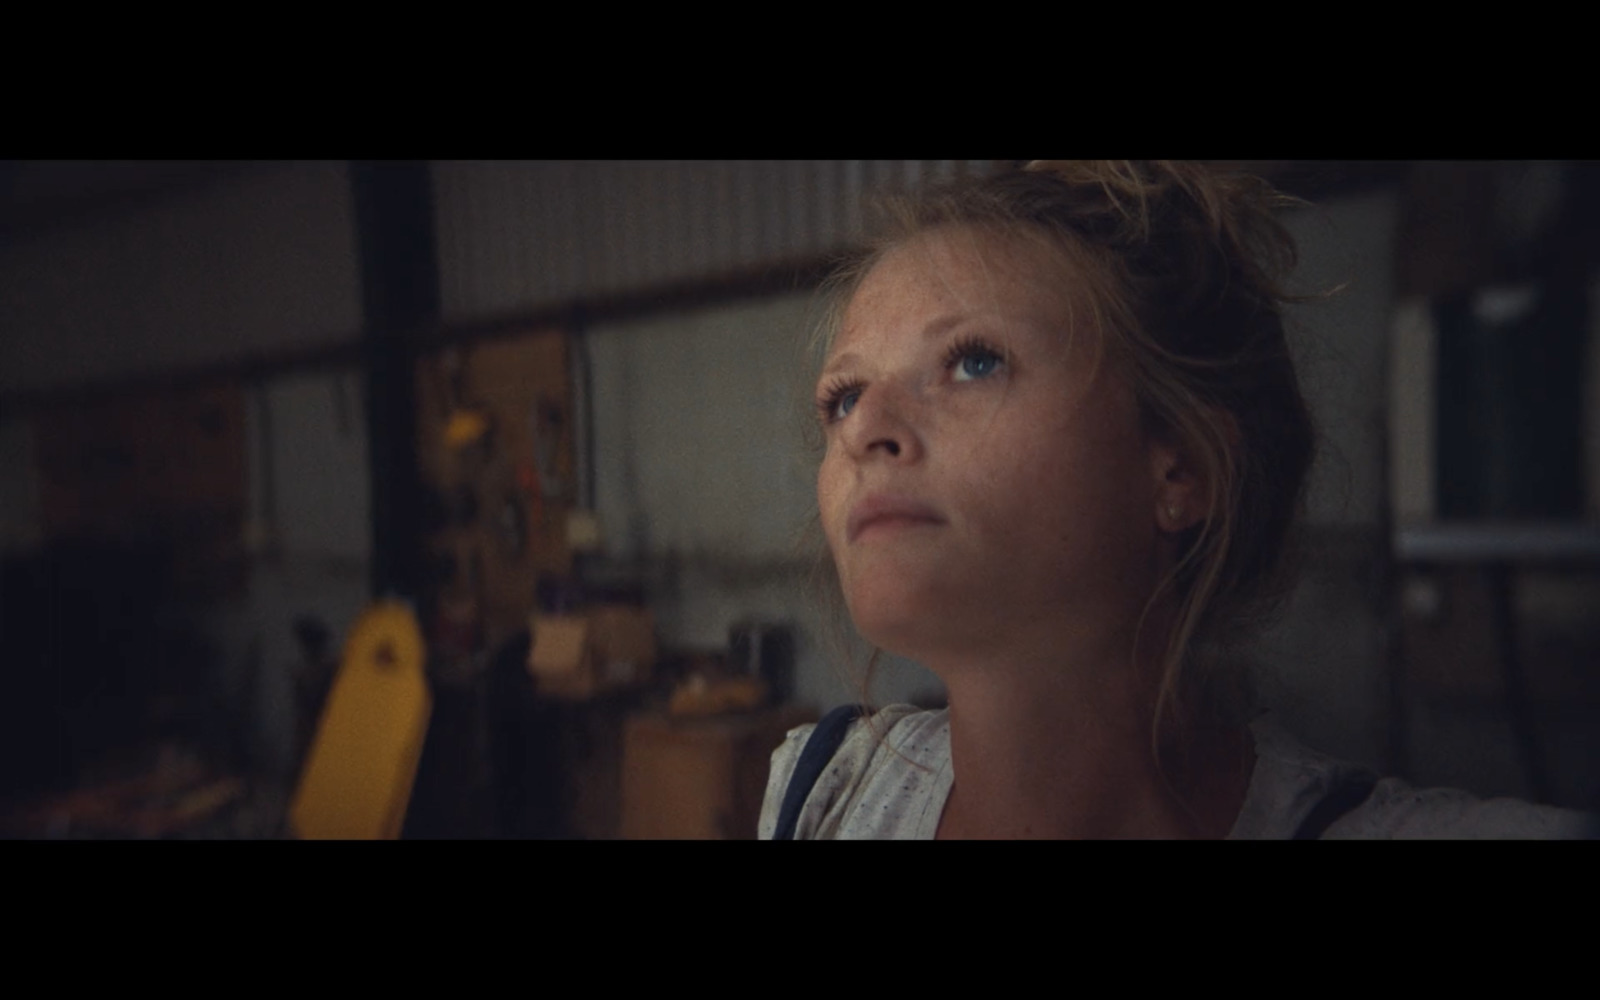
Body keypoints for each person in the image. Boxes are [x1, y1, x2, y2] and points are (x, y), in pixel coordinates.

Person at [758, 160, 1595, 839]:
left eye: (975, 361)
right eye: (841, 397)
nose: (865, 427)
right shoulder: (819, 789)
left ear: (1180, 469)